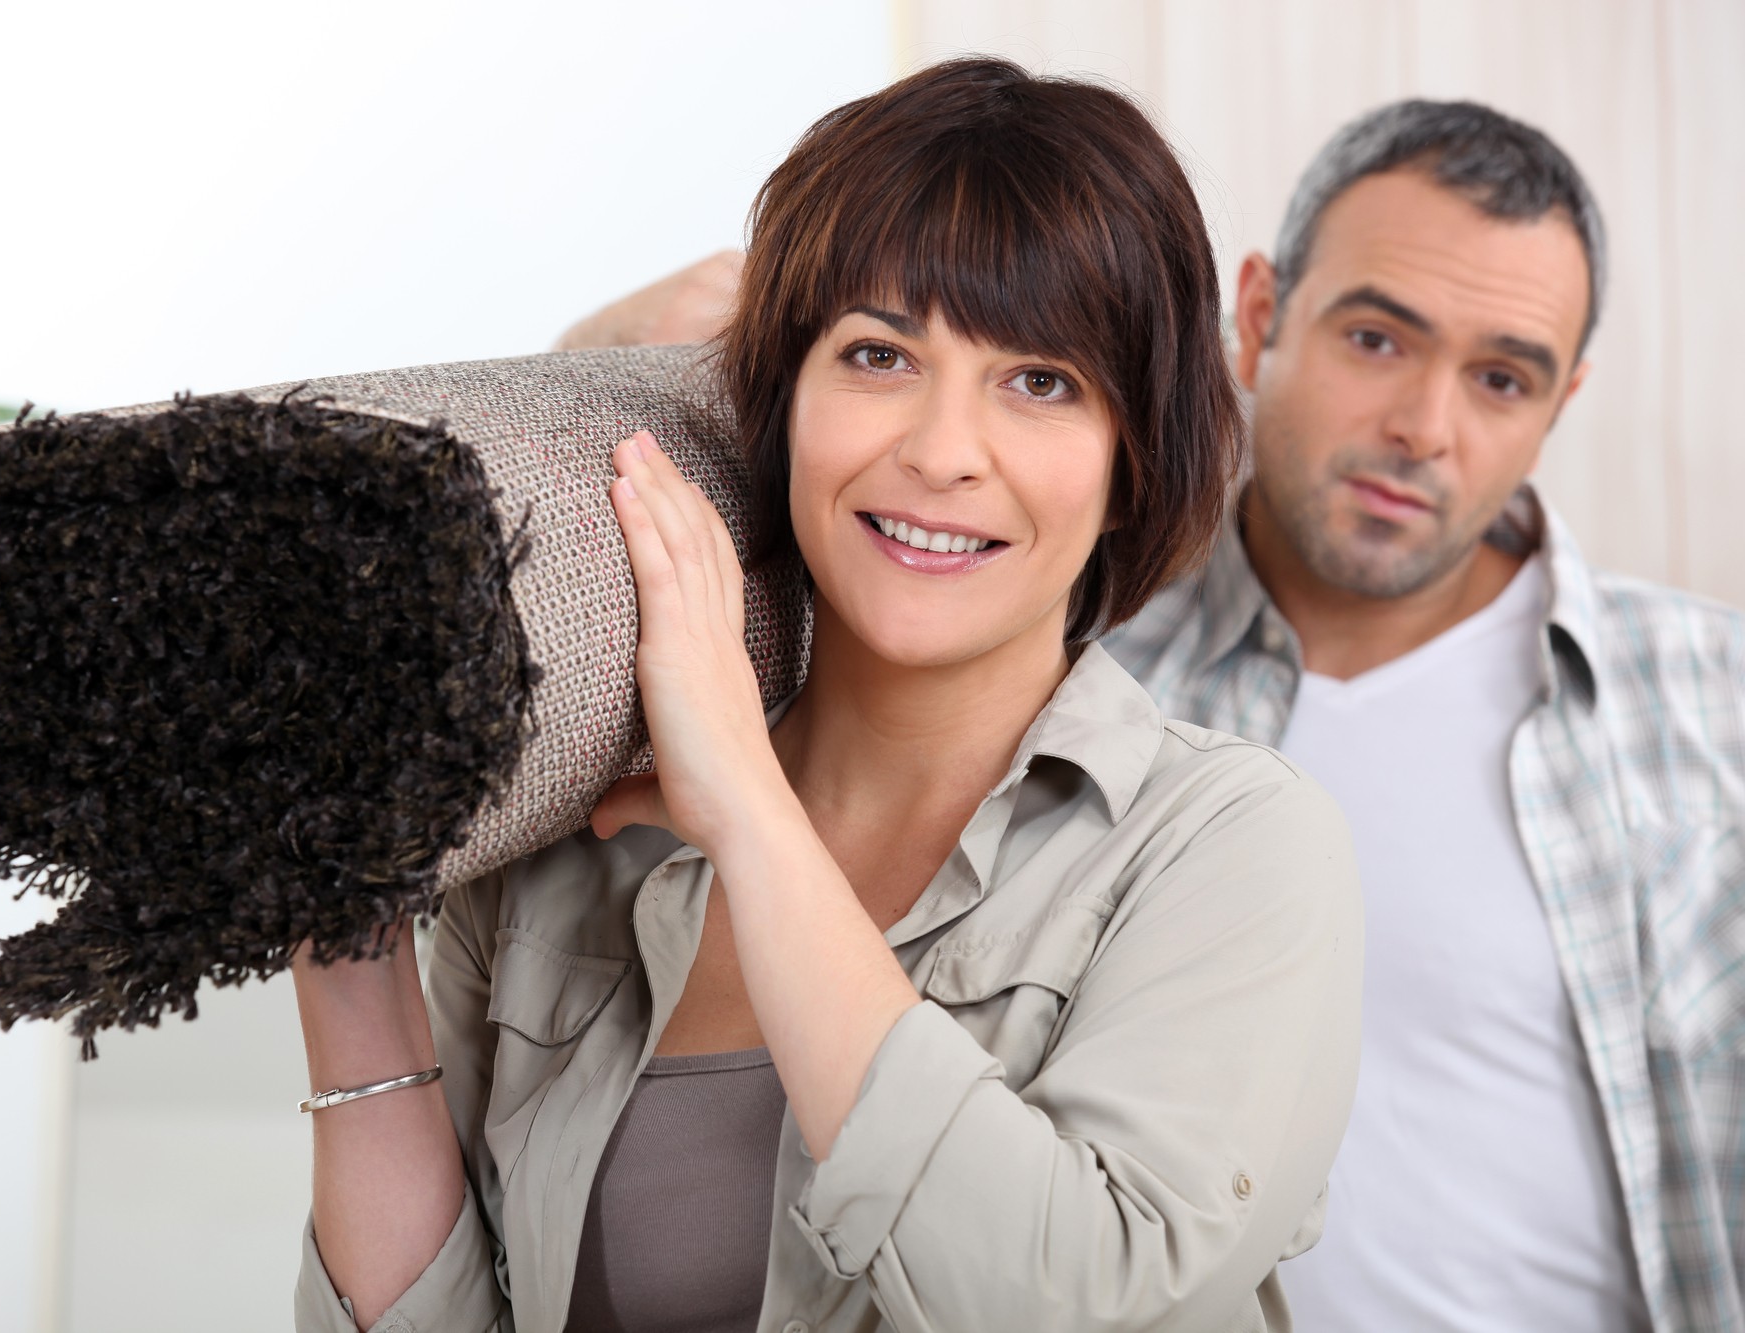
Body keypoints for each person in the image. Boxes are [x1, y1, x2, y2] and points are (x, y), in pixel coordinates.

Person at [569, 97, 1745, 1332]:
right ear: (1257, 316)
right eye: (1375, 340)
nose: (1423, 428)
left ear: (1562, 400)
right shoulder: (1038, 613)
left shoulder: (1703, 705)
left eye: (1501, 377)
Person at [293, 58, 1364, 1333]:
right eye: (877, 353)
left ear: (1133, 464)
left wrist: (747, 809)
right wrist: (336, 940)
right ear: (782, 400)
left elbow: (1068, 1294)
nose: (939, 452)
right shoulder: (572, 842)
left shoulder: (1227, 846)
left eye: (1040, 382)